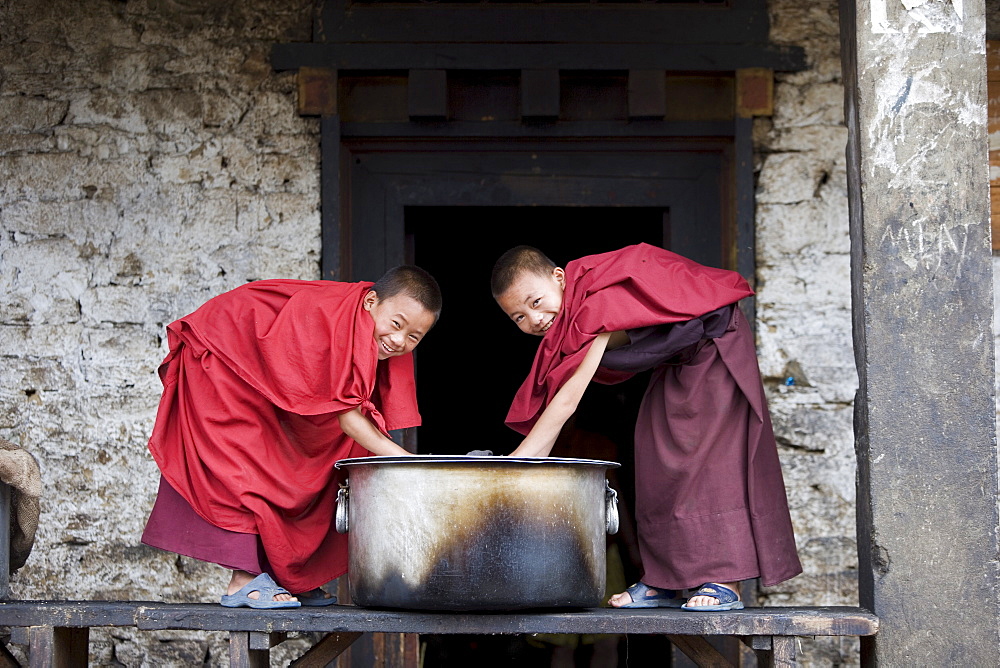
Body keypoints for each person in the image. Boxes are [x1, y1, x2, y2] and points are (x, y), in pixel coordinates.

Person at [491, 243, 801, 611]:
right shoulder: (572, 313)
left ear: (559, 278)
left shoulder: (594, 307)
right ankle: (665, 581)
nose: (534, 319)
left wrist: (518, 465)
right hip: (677, 357)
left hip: (714, 345)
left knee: (707, 458)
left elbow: (569, 396)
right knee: (655, 454)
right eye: (519, 317)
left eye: (536, 301)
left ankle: (725, 579)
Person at [141, 266, 442, 609]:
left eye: (414, 337)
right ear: (371, 302)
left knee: (313, 459)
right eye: (397, 324)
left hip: (260, 367)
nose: (399, 340)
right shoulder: (339, 321)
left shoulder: (364, 325)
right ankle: (242, 580)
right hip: (223, 356)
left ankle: (287, 577)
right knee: (244, 465)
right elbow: (349, 419)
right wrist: (407, 463)